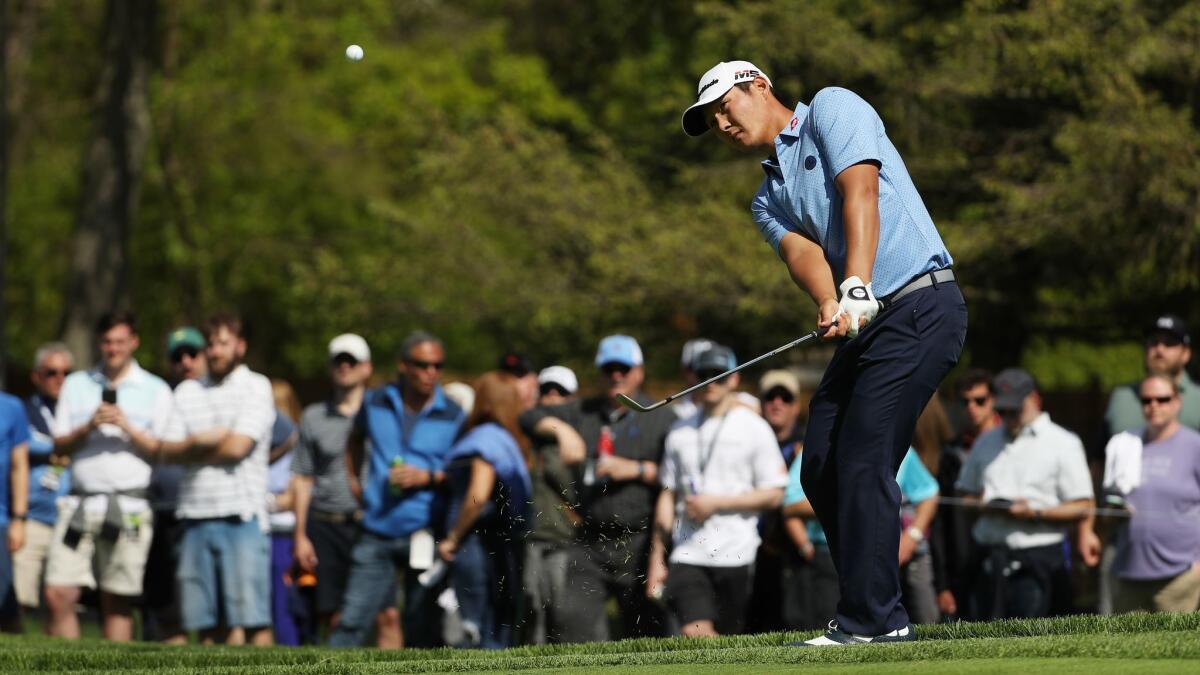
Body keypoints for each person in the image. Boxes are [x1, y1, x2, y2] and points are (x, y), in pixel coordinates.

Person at [682, 61, 966, 644]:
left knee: (863, 457)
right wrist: (829, 299)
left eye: (723, 107)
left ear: (758, 85)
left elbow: (859, 188)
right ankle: (874, 609)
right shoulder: (766, 197)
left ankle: (871, 620)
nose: (720, 123)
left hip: (920, 305)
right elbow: (802, 255)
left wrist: (857, 281)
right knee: (820, 466)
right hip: (868, 323)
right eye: (710, 120)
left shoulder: (833, 108)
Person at [519, 335, 675, 642]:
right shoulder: (582, 411)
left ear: (639, 371)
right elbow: (528, 417)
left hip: (640, 542)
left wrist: (637, 469)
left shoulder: (661, 416)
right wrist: (560, 430)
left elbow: (679, 478)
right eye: (609, 368)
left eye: (624, 368)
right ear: (599, 373)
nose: (616, 375)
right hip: (590, 541)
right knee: (572, 626)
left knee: (647, 635)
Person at [328, 331, 465, 648]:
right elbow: (353, 440)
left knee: (422, 629)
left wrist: (427, 477)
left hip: (426, 530)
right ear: (403, 366)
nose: (431, 373)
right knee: (351, 622)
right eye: (422, 365)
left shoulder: (454, 414)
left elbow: (462, 475)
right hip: (377, 528)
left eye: (437, 365)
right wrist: (354, 481)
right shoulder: (375, 400)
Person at [47, 310, 173, 641]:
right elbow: (59, 445)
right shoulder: (76, 385)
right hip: (80, 504)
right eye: (106, 342)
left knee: (117, 598)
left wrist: (127, 426)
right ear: (98, 343)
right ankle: (67, 666)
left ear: (134, 342)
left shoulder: (155, 389)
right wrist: (89, 425)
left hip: (129, 506)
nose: (113, 349)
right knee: (58, 591)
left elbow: (162, 451)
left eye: (120, 341)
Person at [647, 346, 788, 636]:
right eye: (703, 375)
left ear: (734, 380)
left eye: (719, 375)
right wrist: (657, 558)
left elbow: (774, 493)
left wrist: (716, 503)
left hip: (736, 552)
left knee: (726, 640)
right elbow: (667, 493)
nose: (711, 382)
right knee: (695, 631)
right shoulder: (679, 431)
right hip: (687, 552)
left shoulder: (755, 428)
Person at [156, 313, 275, 646]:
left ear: (240, 346)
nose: (216, 351)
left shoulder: (257, 386)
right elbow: (168, 451)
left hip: (242, 514)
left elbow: (239, 447)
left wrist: (191, 447)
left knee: (252, 621)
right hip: (193, 515)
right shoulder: (188, 391)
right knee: (205, 626)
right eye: (210, 344)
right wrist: (205, 441)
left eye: (223, 343)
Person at [955, 368, 1094, 619]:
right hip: (987, 558)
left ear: (1034, 399)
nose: (1008, 415)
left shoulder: (1063, 443)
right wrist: (984, 505)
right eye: (1003, 410)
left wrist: (1035, 512)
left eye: (1014, 409)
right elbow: (963, 496)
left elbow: (1082, 504)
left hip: (1038, 560)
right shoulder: (986, 442)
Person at [291, 333, 398, 646]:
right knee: (334, 617)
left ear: (367, 368)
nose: (345, 367)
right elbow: (302, 478)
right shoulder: (313, 416)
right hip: (325, 524)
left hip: (373, 524)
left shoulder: (385, 414)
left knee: (387, 614)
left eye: (352, 361)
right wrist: (300, 535)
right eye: (339, 361)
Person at [1095, 314, 1199, 614]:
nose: (1159, 349)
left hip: (1183, 563)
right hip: (1125, 547)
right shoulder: (1121, 398)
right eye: (1153, 343)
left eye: (1169, 343)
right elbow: (1099, 462)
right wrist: (1094, 525)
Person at [437, 372, 533, 648]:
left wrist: (453, 537)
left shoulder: (483, 439)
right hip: (502, 547)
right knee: (497, 627)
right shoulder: (508, 442)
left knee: (473, 629)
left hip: (473, 546)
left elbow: (477, 496)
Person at [142, 326, 206, 644]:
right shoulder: (162, 394)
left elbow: (282, 436)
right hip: (161, 510)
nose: (186, 362)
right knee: (166, 605)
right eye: (177, 356)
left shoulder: (218, 392)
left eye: (193, 354)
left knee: (207, 604)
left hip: (203, 511)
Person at [10, 344, 73, 628]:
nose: (59, 379)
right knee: (20, 597)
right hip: (33, 517)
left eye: (66, 373)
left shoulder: (78, 410)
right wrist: (62, 448)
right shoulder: (24, 409)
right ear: (37, 376)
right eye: (51, 372)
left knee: (62, 597)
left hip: (70, 517)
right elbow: (24, 445)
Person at [932, 369, 997, 621]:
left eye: (980, 400)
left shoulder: (1015, 445)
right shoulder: (952, 453)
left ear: (993, 401)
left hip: (1008, 558)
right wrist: (942, 584)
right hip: (963, 564)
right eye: (965, 401)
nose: (972, 408)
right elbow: (941, 520)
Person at [523, 364, 580, 644]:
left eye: (561, 391)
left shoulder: (578, 439)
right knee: (531, 613)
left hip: (565, 539)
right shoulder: (524, 435)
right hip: (530, 538)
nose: (553, 396)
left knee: (564, 617)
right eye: (547, 390)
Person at [748, 369, 806, 632]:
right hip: (750, 550)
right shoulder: (744, 442)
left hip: (797, 554)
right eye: (771, 396)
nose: (777, 403)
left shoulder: (809, 445)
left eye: (785, 397)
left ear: (797, 406)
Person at [901, 396, 952, 625]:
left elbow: (930, 494)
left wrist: (911, 537)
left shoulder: (908, 455)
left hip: (916, 552)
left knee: (926, 621)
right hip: (885, 554)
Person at [267, 379, 304, 645]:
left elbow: (295, 492)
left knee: (283, 605)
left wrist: (270, 502)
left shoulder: (297, 442)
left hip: (284, 532)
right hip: (261, 529)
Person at [0, 390, 31, 633]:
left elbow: (20, 465)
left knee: (5, 603)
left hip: (1, 518)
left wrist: (18, 518)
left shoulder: (11, 406)